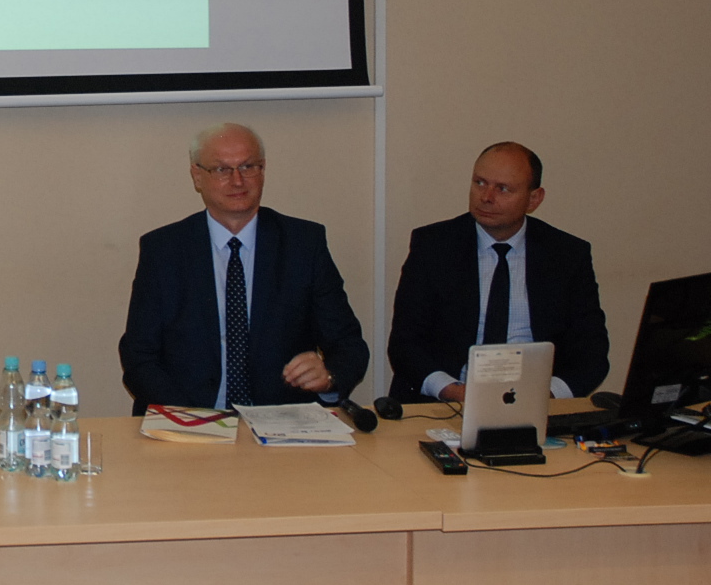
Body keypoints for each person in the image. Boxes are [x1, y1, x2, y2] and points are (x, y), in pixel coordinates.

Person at [118, 123, 369, 415]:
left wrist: (329, 378)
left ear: (263, 170)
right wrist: (192, 418)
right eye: (222, 169)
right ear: (197, 176)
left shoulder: (303, 244)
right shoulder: (164, 250)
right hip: (189, 419)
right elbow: (139, 356)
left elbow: (348, 345)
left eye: (248, 167)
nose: (237, 181)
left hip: (281, 423)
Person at [386, 142, 606, 402]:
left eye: (503, 189)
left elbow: (592, 353)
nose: (486, 197)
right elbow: (405, 344)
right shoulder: (434, 246)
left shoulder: (566, 255)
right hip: (449, 401)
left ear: (534, 199)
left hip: (536, 401)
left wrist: (544, 396)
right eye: (480, 183)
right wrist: (452, 391)